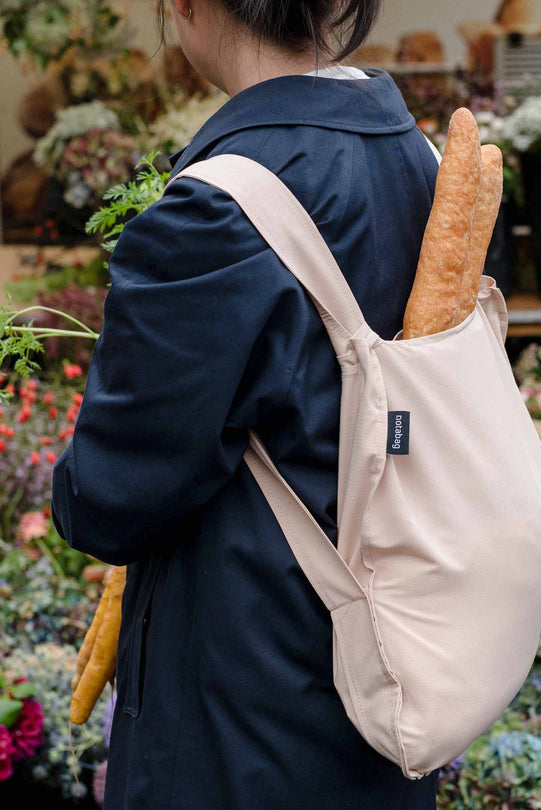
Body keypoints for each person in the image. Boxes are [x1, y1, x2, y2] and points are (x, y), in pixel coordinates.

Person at [51, 0, 442, 807]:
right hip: (390, 675)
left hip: (242, 714)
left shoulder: (212, 211)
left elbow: (110, 500)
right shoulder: (420, 160)